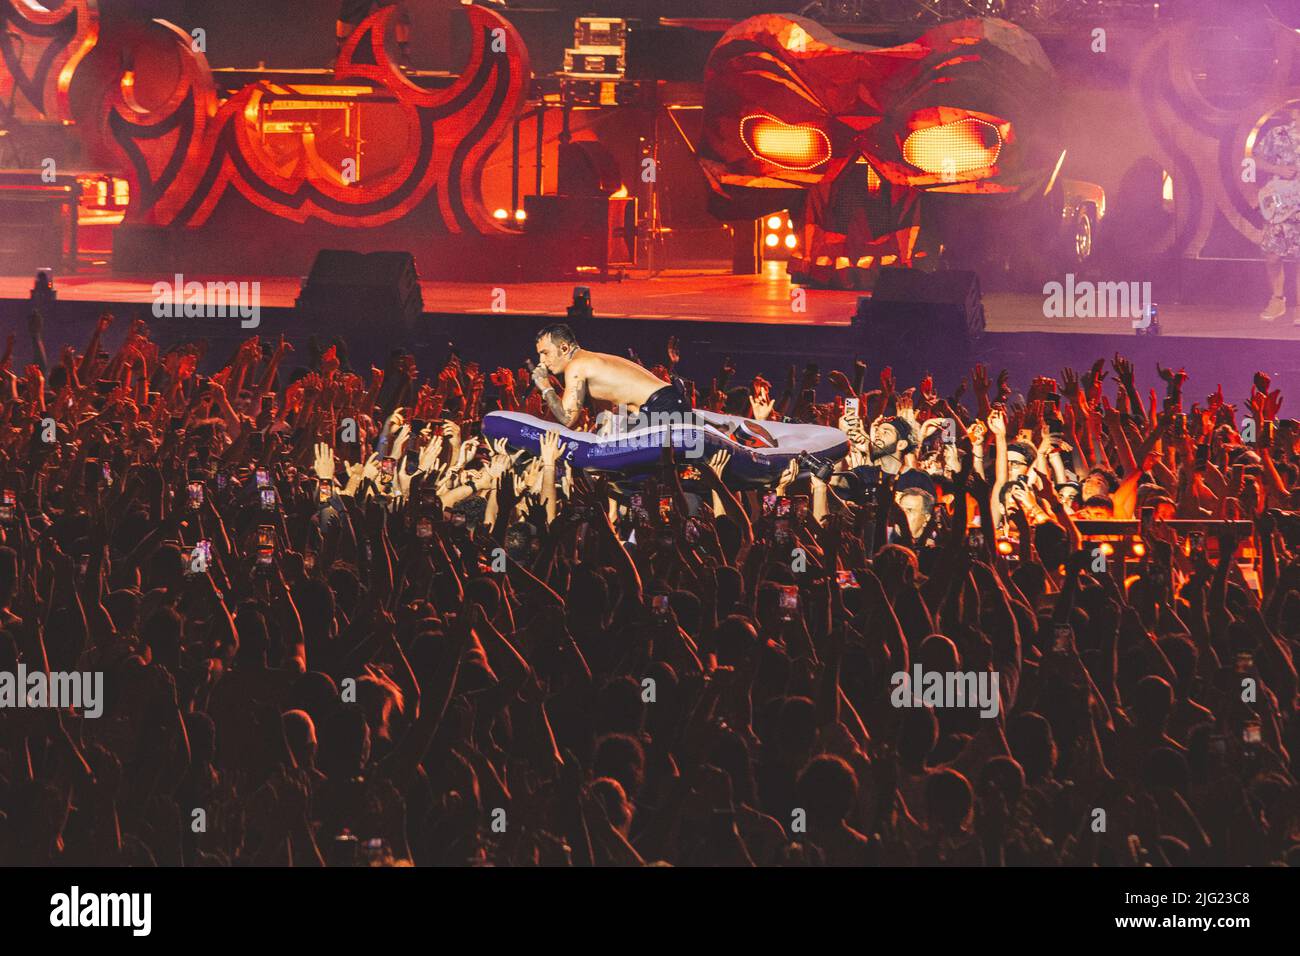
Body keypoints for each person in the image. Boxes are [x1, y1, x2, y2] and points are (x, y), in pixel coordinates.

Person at [531, 323, 688, 429]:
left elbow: (567, 418)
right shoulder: (590, 361)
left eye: (545, 353)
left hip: (660, 407)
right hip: (670, 401)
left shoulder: (576, 366)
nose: (542, 361)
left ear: (564, 348)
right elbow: (606, 414)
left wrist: (545, 387)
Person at [1254, 105, 1300, 322]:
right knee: (1272, 254)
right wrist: (1278, 170)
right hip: (1280, 202)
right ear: (1294, 113)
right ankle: (1277, 299)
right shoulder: (1277, 134)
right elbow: (1256, 160)